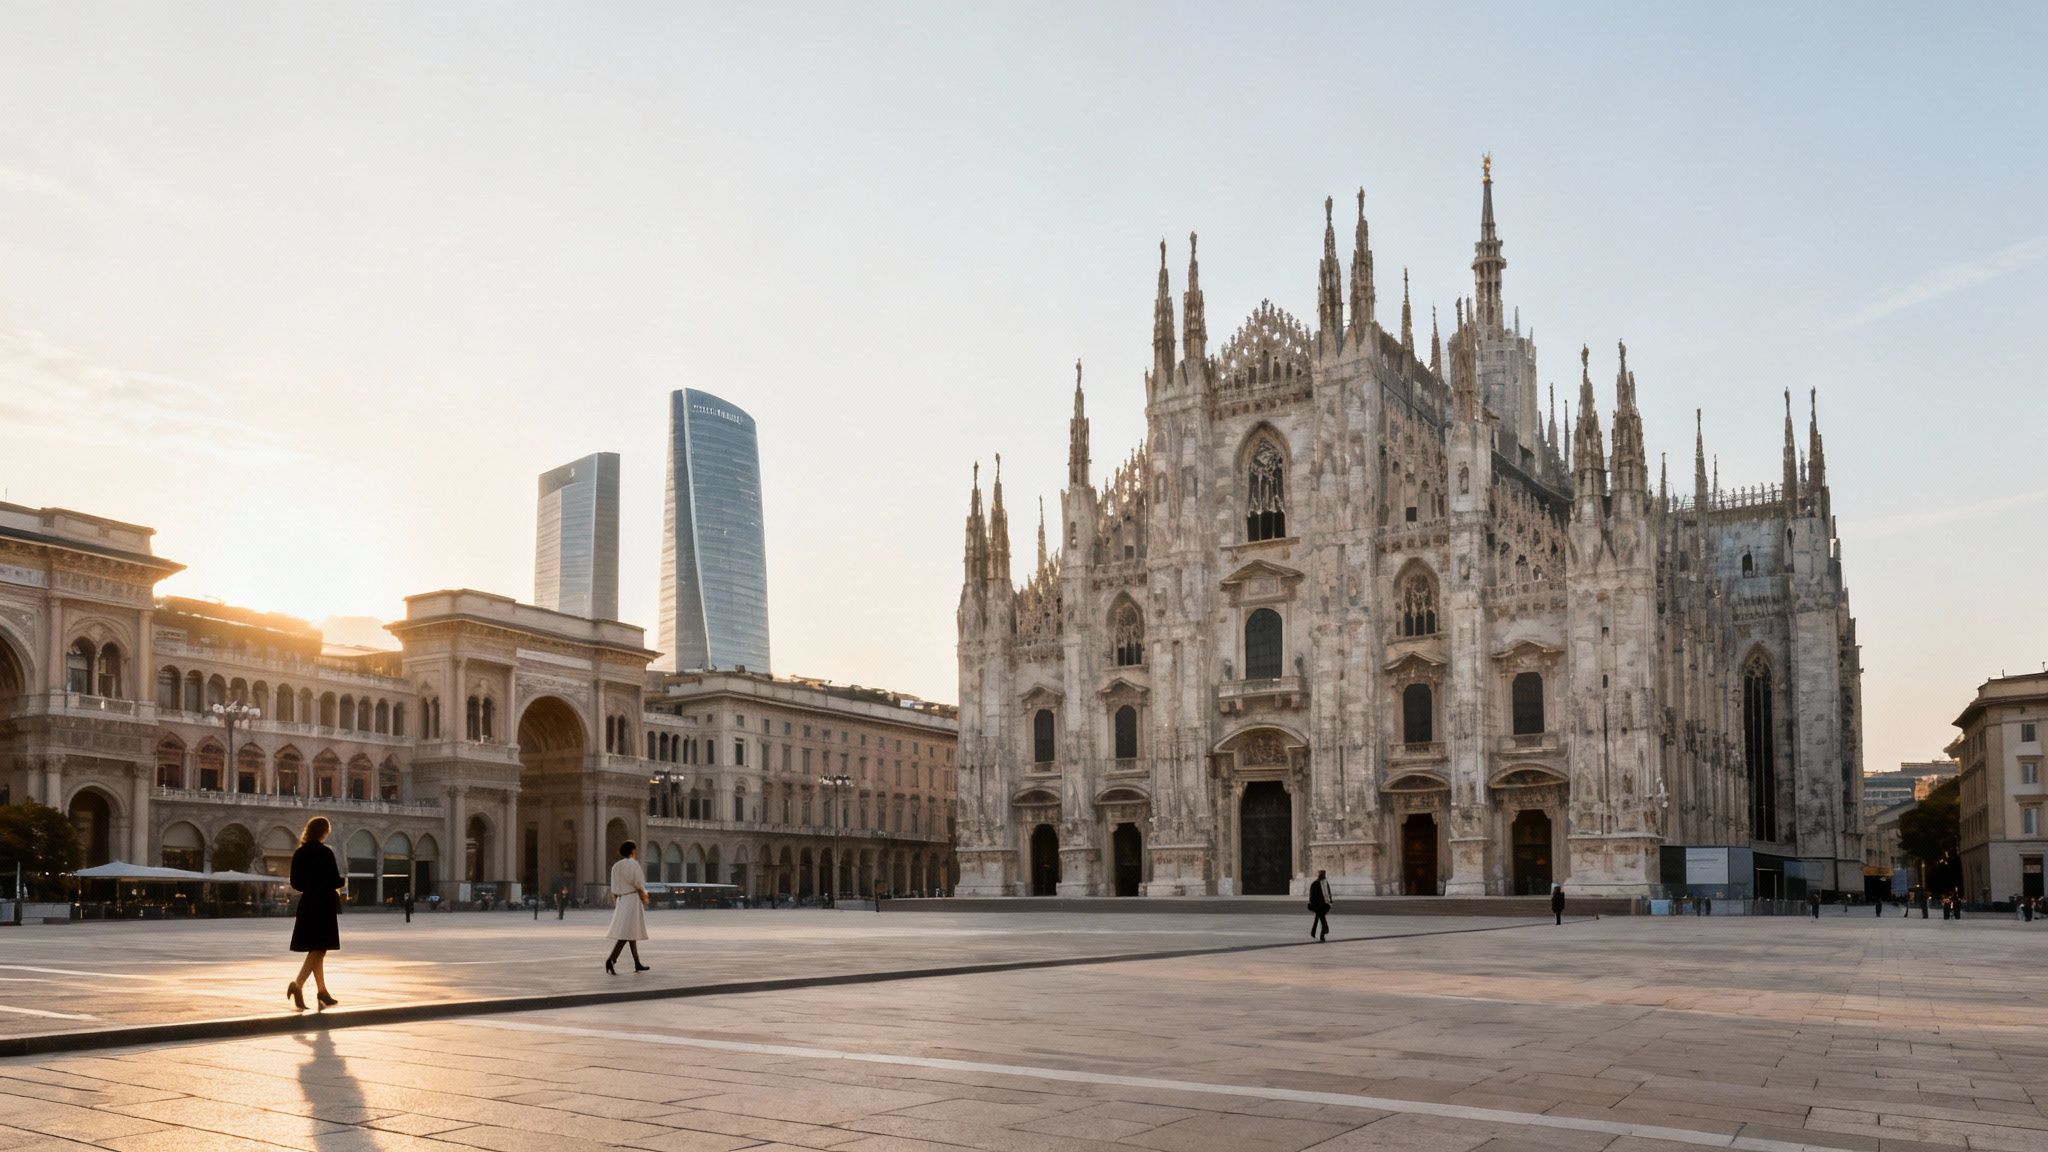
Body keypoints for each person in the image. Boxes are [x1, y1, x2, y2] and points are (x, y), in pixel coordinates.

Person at [286, 816, 343, 1011]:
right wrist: (341, 881)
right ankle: (297, 984)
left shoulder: (300, 853)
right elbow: (335, 880)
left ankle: (322, 991)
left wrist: (310, 885)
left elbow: (295, 883)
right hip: (323, 904)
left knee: (316, 948)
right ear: (323, 832)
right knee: (320, 947)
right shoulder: (325, 853)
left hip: (308, 902)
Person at [603, 840, 651, 975]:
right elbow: (639, 883)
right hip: (632, 899)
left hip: (622, 899)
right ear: (633, 850)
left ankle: (637, 962)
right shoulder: (633, 864)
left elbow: (614, 888)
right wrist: (645, 896)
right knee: (626, 933)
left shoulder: (616, 866)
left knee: (631, 932)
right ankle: (611, 959)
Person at [1307, 869, 1332, 941]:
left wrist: (1329, 902)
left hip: (1323, 905)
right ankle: (1323, 931)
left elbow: (1328, 893)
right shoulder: (1316, 883)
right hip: (1319, 905)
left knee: (1319, 919)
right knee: (1321, 919)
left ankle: (1319, 933)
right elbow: (1312, 896)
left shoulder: (1324, 883)